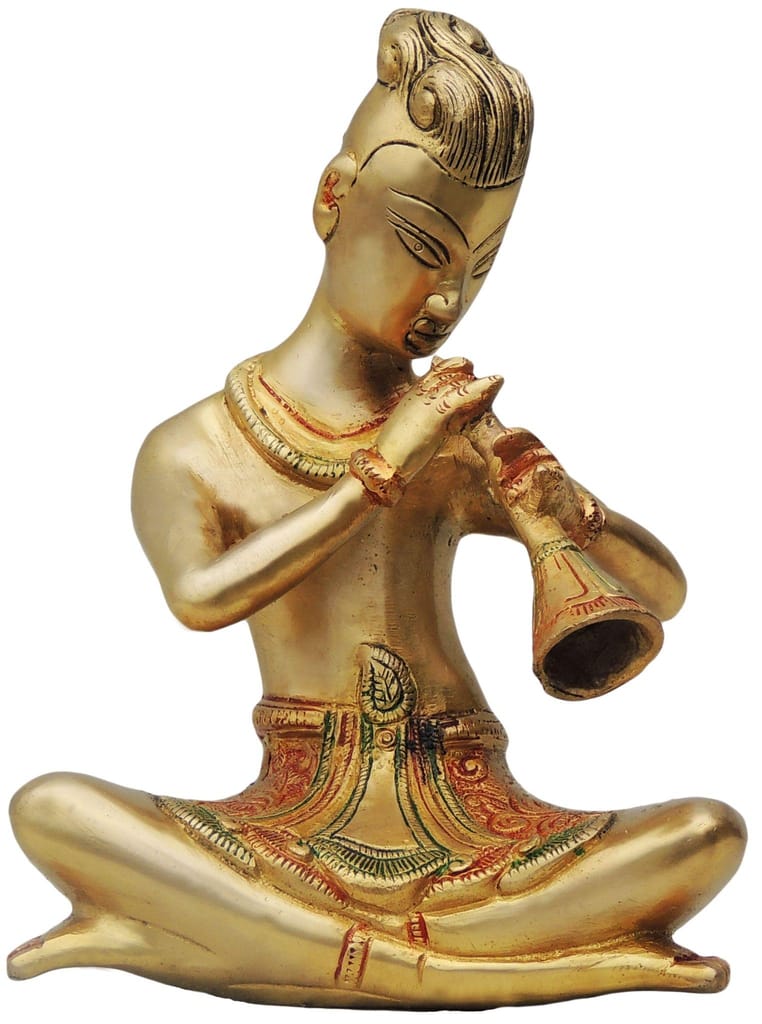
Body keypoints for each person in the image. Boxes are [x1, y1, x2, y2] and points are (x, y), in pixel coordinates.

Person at [7, 10, 745, 1008]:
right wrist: (378, 470)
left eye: (478, 268)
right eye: (422, 246)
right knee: (54, 809)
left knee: (705, 834)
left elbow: (665, 592)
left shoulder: (454, 434)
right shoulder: (191, 448)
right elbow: (199, 598)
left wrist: (566, 508)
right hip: (290, 818)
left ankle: (238, 941)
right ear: (333, 198)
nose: (444, 299)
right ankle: (471, 964)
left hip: (475, 816)